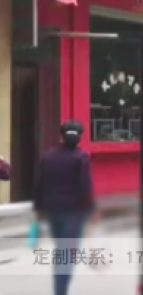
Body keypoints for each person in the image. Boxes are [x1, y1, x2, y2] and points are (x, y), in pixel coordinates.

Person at [34, 120, 96, 295]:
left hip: (52, 210)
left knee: (62, 249)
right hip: (74, 212)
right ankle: (60, 290)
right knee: (67, 252)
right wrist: (90, 209)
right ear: (80, 137)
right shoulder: (81, 158)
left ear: (62, 136)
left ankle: (59, 288)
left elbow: (39, 184)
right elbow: (85, 187)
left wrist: (39, 208)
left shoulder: (48, 157)